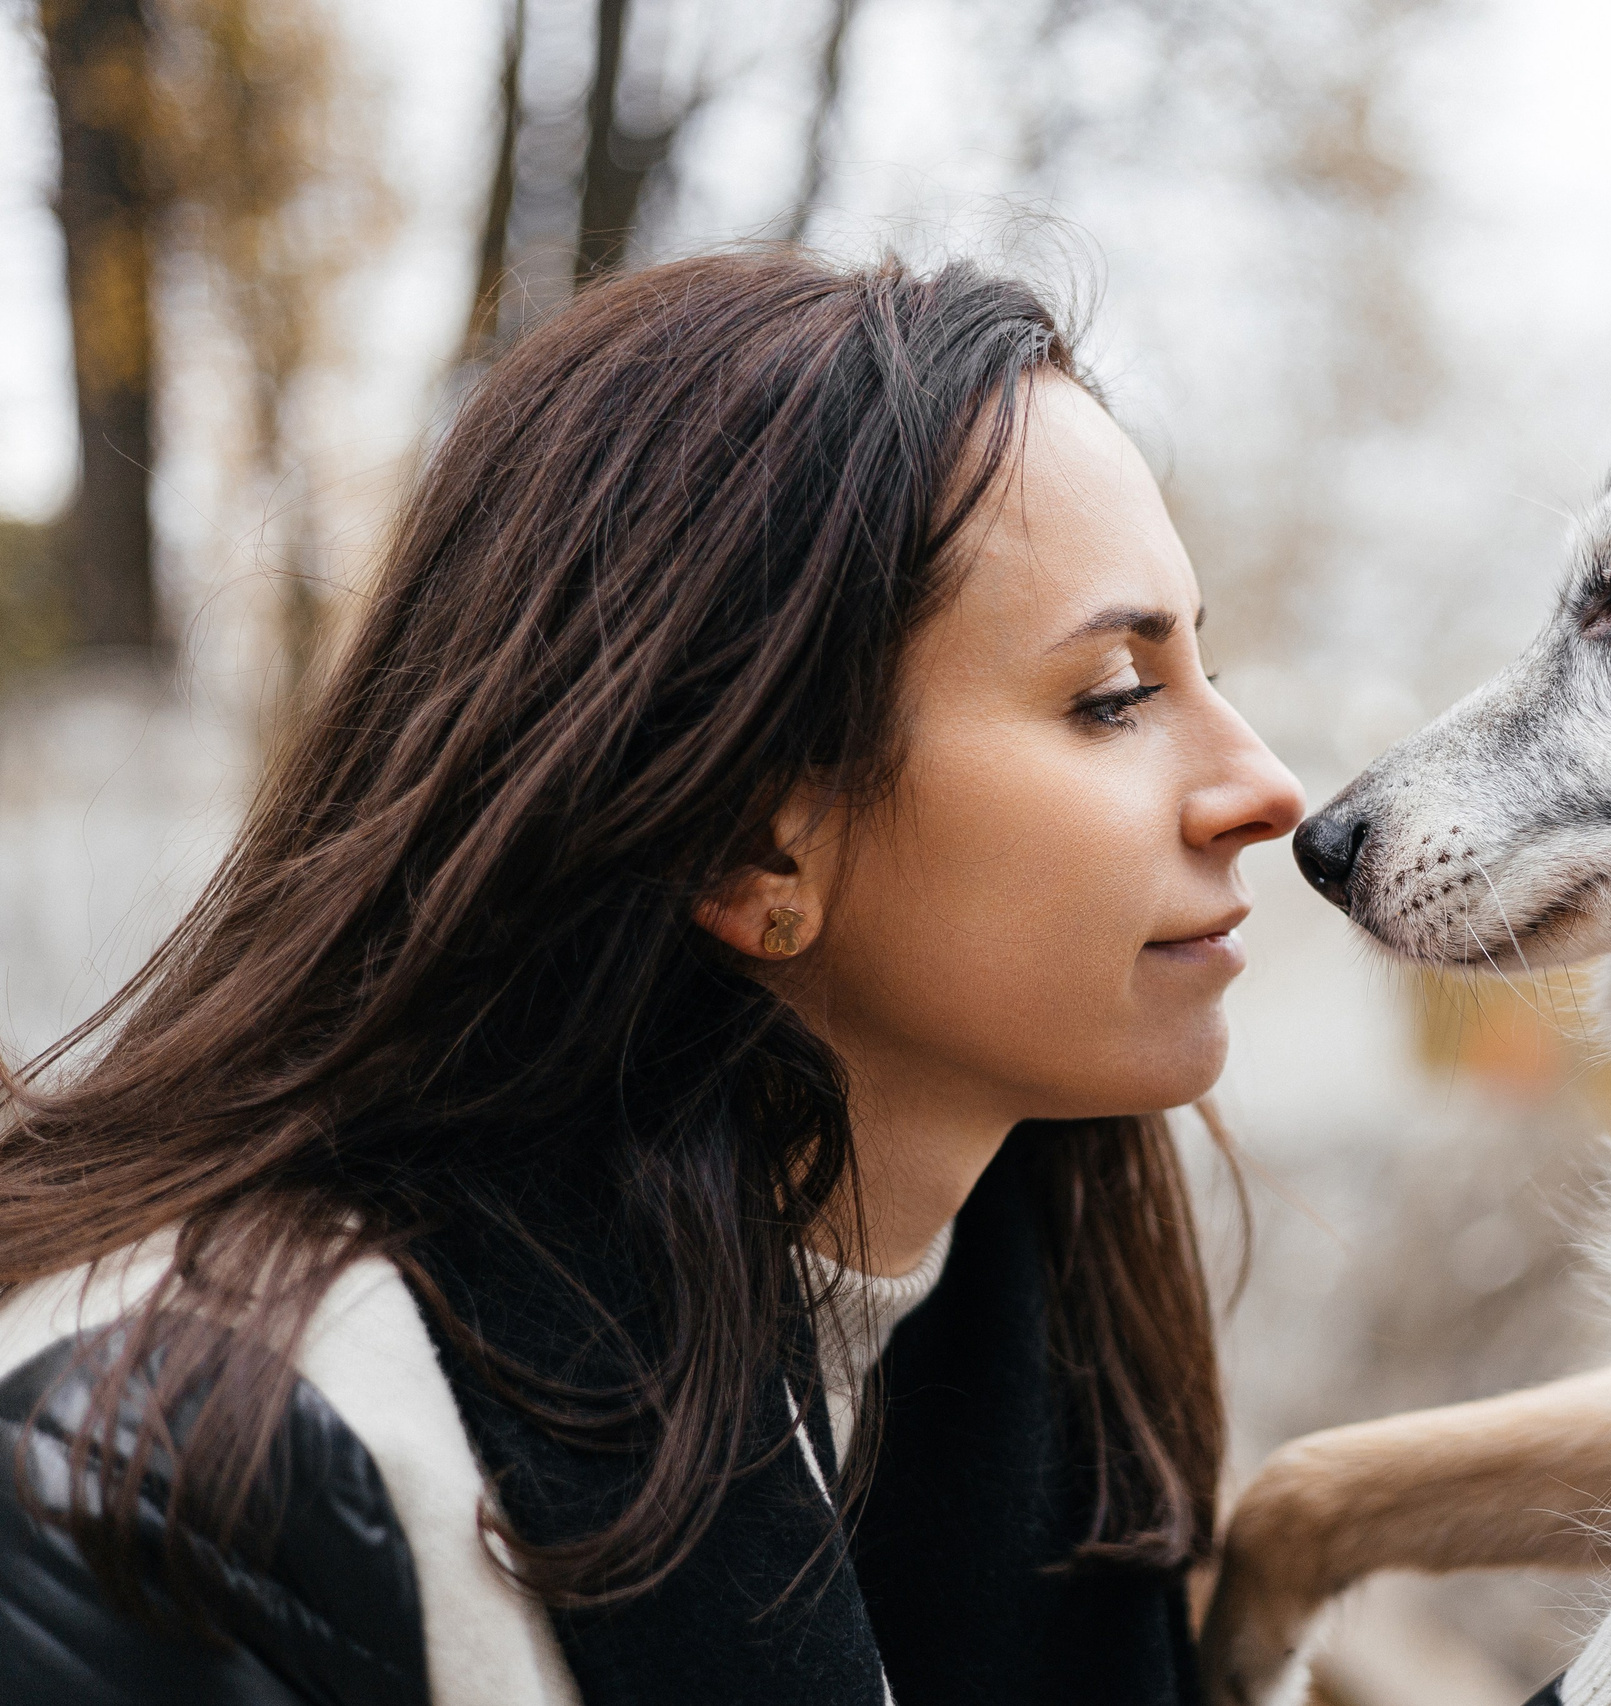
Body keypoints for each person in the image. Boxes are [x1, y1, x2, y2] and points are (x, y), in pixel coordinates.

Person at [0, 251, 1304, 1706]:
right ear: (756, 845)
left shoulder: (1031, 1386)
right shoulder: (205, 1485)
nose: (1265, 785)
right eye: (1113, 696)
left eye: (1207, 670)